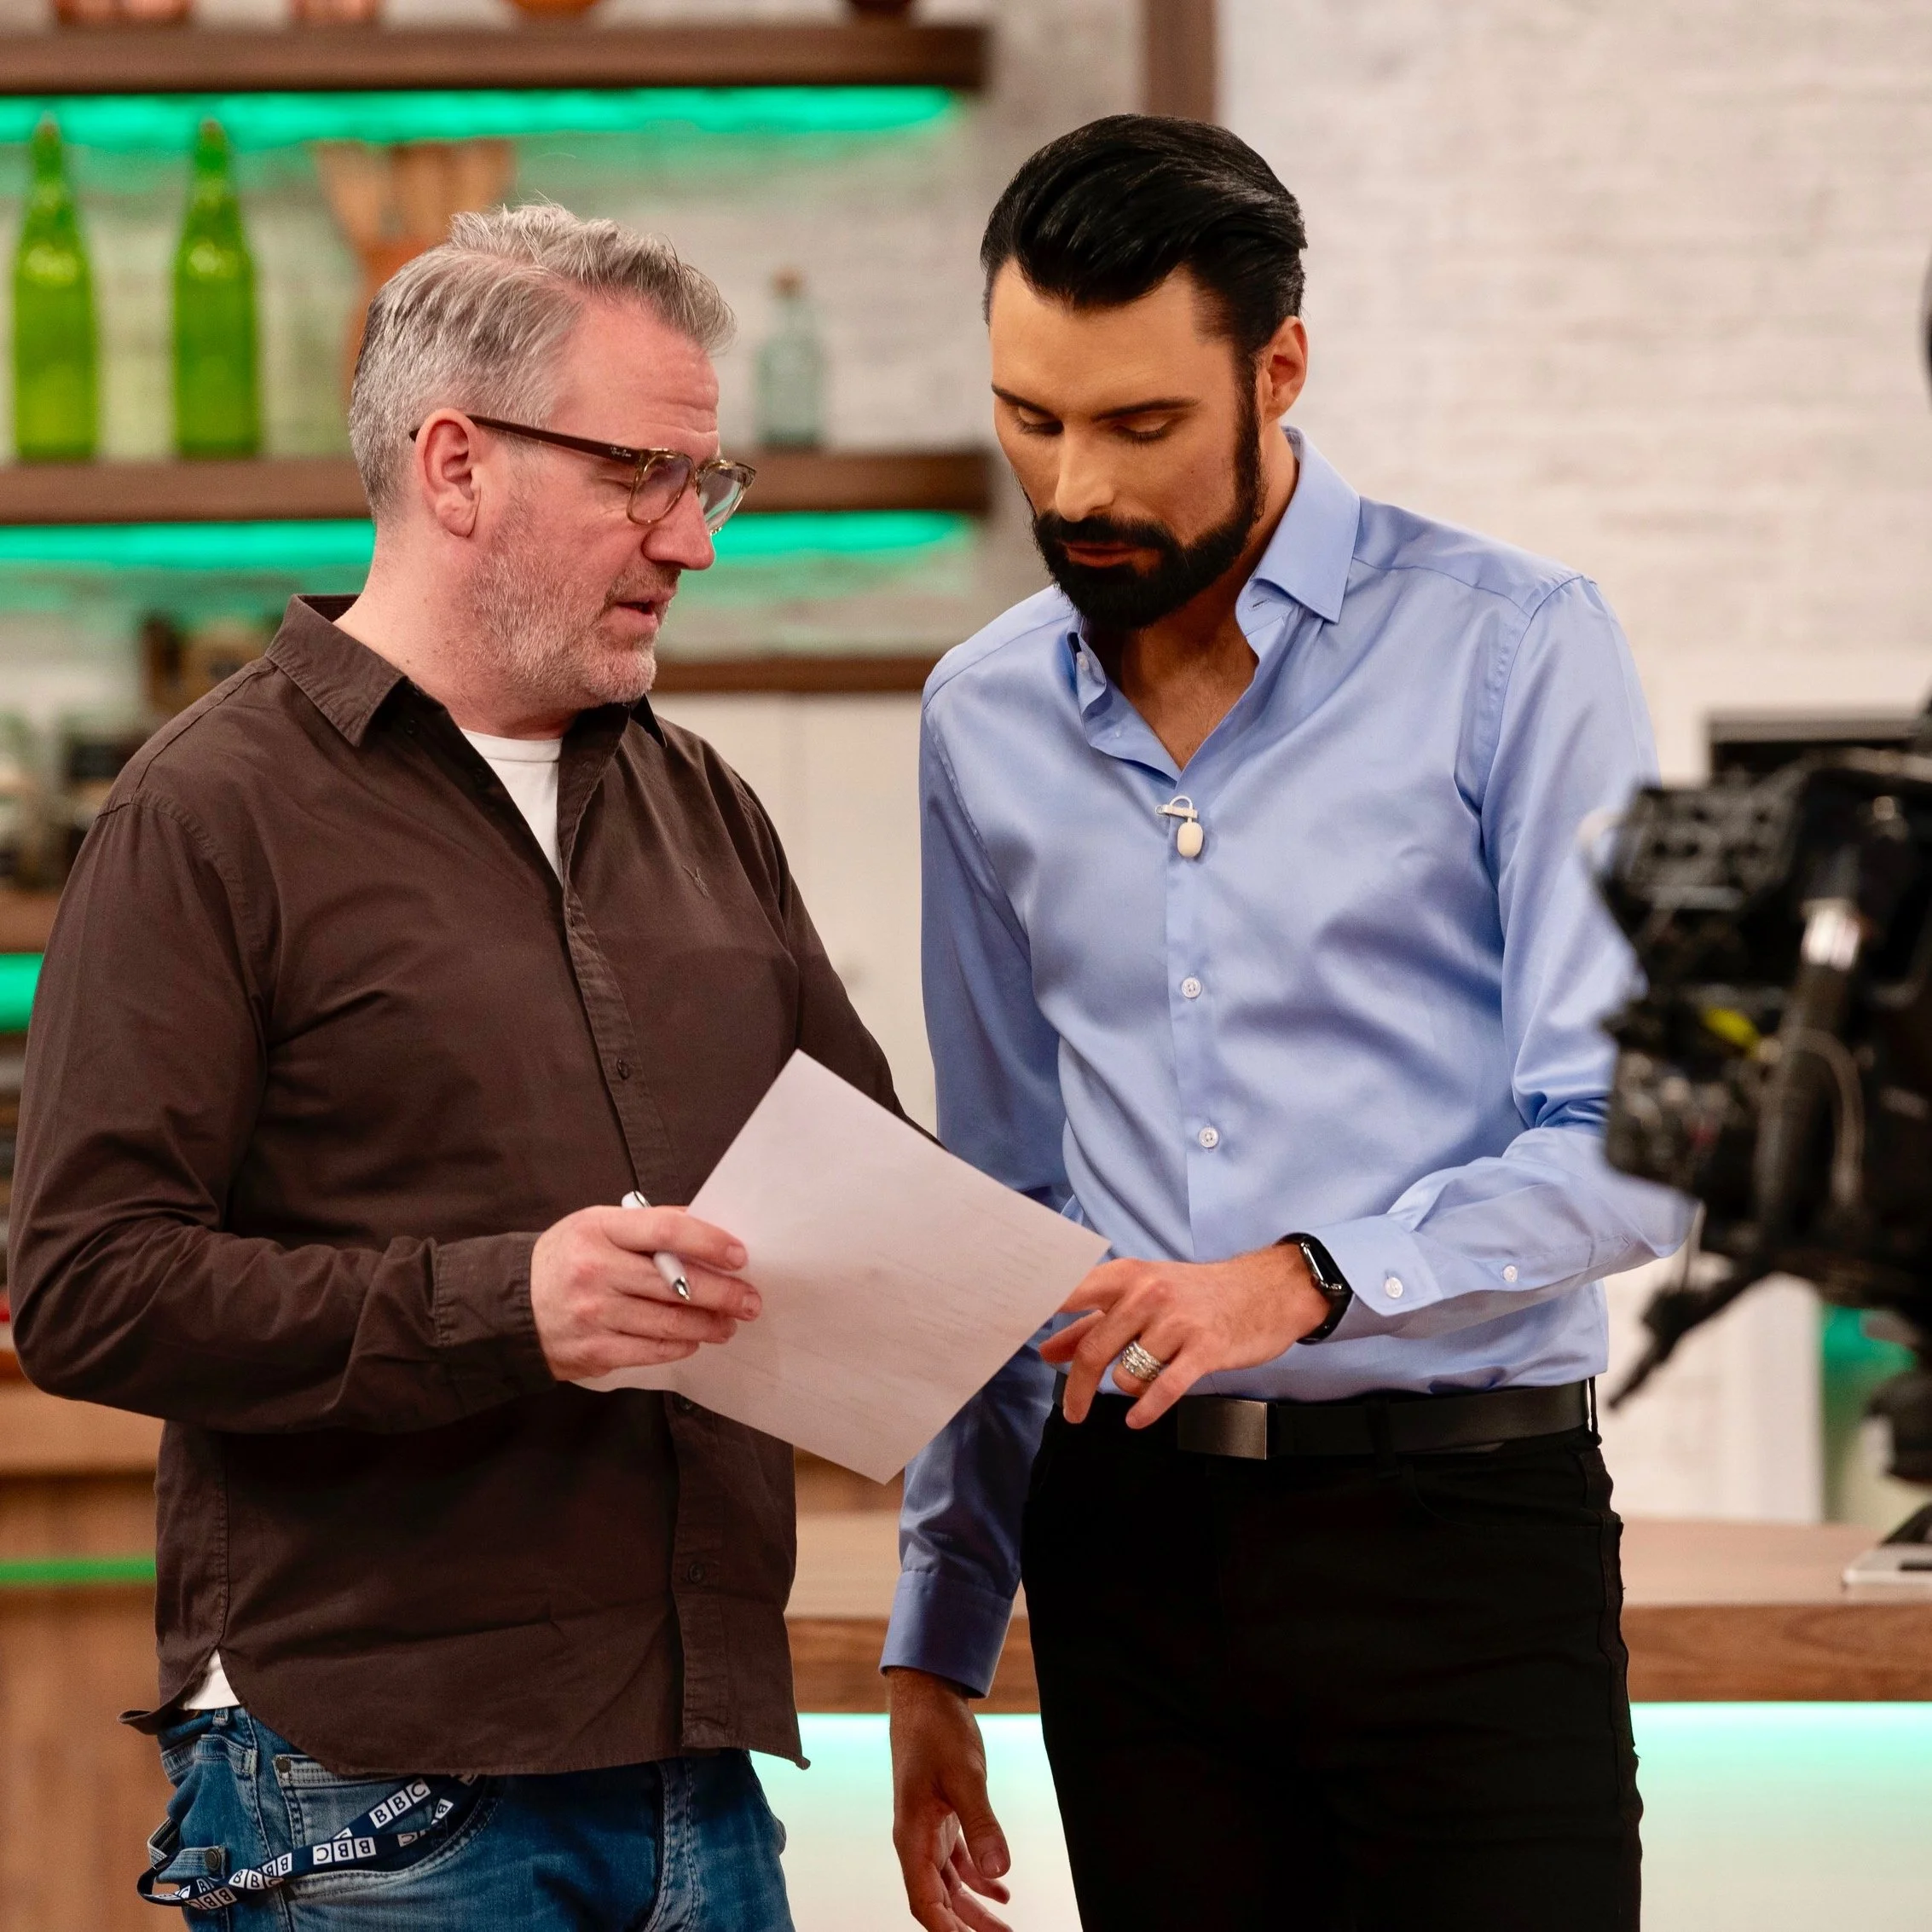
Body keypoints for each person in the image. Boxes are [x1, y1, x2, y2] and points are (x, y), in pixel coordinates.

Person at [9, 205, 896, 1929]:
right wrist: (510, 1303)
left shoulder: (697, 798)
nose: (687, 542)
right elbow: (86, 1288)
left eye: (703, 487)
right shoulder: (210, 812)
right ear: (456, 463)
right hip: (368, 1794)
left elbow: (856, 1180)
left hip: (697, 1769)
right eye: (641, 475)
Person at [882, 117, 1692, 1932]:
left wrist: (1299, 1272)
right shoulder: (980, 716)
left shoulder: (1514, 649)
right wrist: (939, 1637)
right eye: (1031, 418)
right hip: (1127, 1568)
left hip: (1461, 1544)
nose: (1074, 483)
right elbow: (1002, 1201)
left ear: (1277, 368)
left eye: (1140, 427)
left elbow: (1641, 1142)